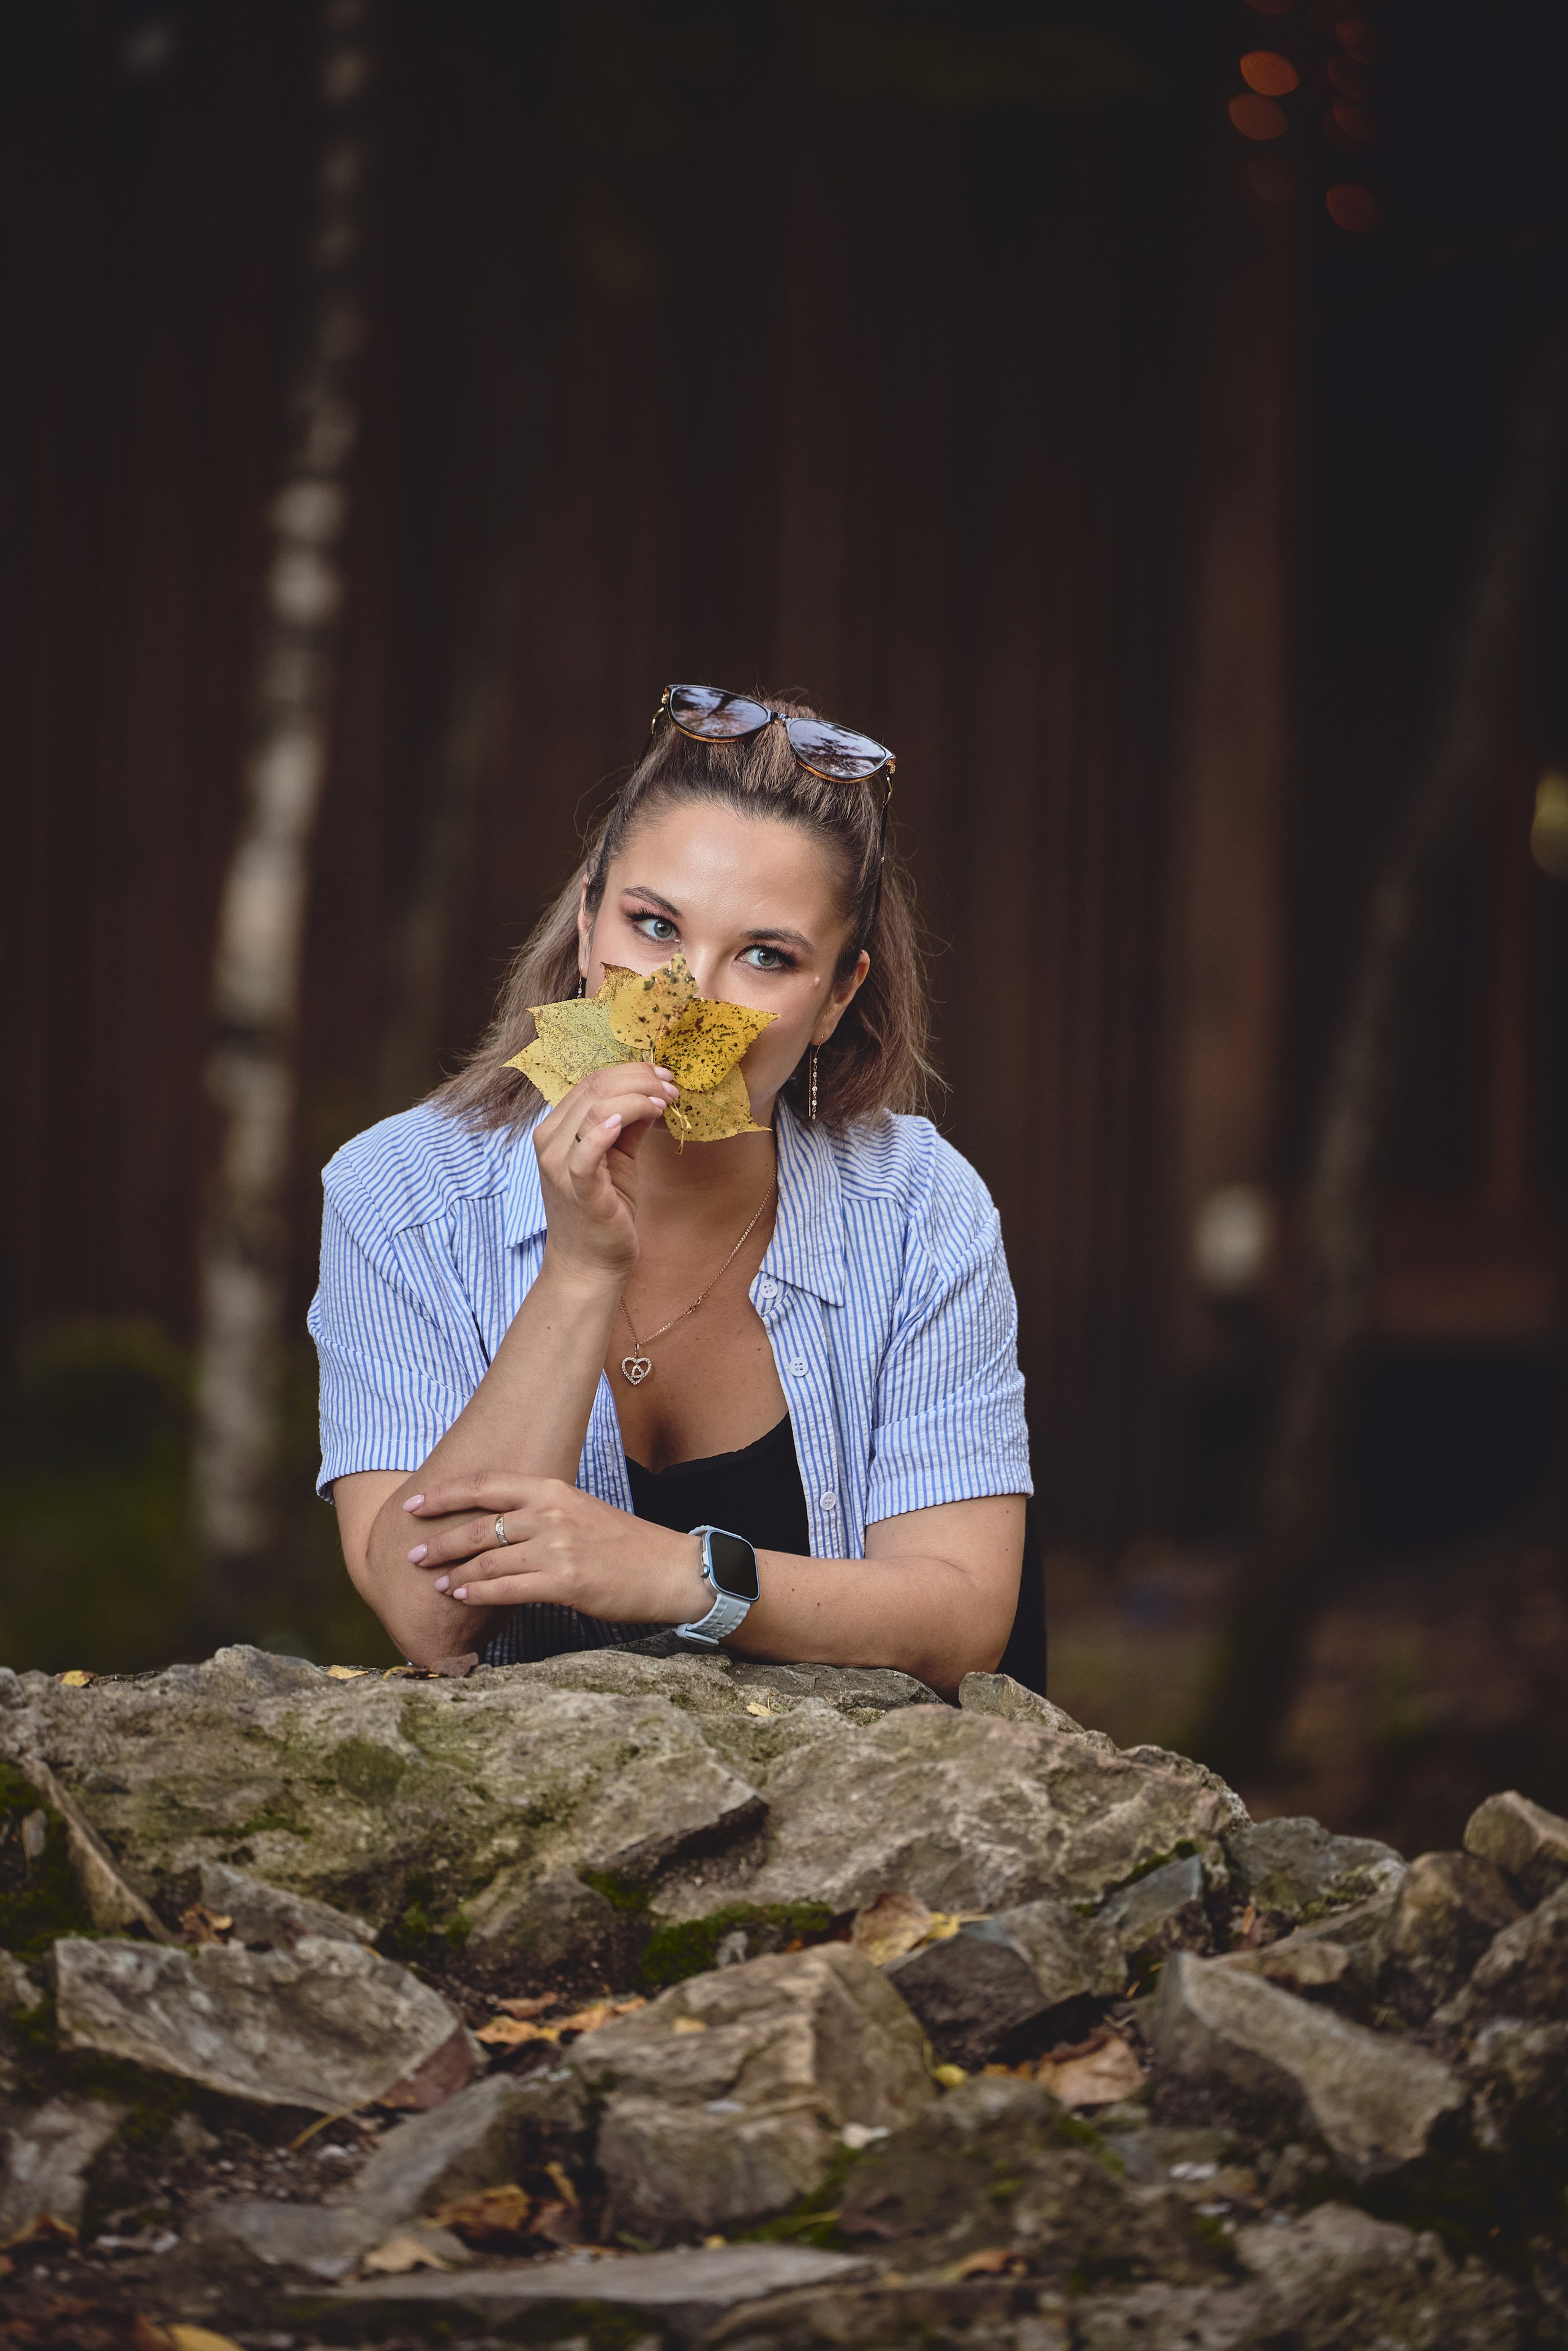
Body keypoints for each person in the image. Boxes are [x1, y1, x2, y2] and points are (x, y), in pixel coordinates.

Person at [309, 684, 1031, 1700]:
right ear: (588, 917)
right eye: (653, 926)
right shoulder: (397, 1195)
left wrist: (677, 1573)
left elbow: (964, 1618)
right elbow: (431, 1615)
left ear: (836, 998)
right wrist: (577, 1272)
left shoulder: (922, 1207)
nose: (688, 1002)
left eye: (766, 956)